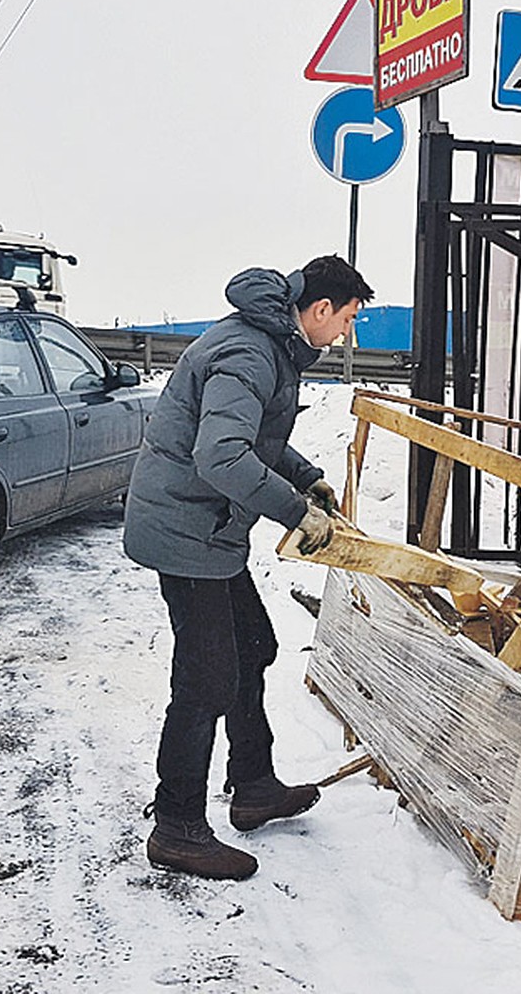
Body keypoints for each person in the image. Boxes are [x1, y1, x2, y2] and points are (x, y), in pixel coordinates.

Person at [123, 255, 374, 880]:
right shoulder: (251, 353)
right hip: (186, 531)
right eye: (345, 320)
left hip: (207, 529)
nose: (344, 334)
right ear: (319, 310)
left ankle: (253, 784)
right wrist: (296, 514)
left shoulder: (268, 345)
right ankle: (177, 826)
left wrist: (305, 478)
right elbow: (222, 457)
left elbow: (254, 439)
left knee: (253, 645)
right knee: (207, 677)